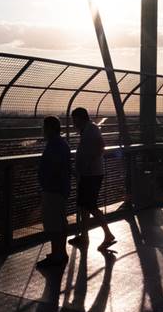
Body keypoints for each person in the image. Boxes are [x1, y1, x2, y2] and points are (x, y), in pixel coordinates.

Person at [69, 106, 116, 251]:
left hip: (91, 175)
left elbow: (101, 146)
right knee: (84, 206)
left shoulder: (90, 129)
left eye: (74, 119)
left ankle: (107, 234)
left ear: (79, 118)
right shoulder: (88, 129)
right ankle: (84, 236)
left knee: (90, 206)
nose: (73, 123)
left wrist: (88, 164)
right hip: (89, 174)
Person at [37, 115, 71, 268]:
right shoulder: (62, 144)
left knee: (53, 224)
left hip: (52, 190)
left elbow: (53, 168)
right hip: (60, 189)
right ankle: (60, 253)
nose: (42, 131)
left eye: (44, 128)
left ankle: (57, 255)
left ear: (49, 129)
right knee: (60, 223)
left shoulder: (54, 146)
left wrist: (45, 182)